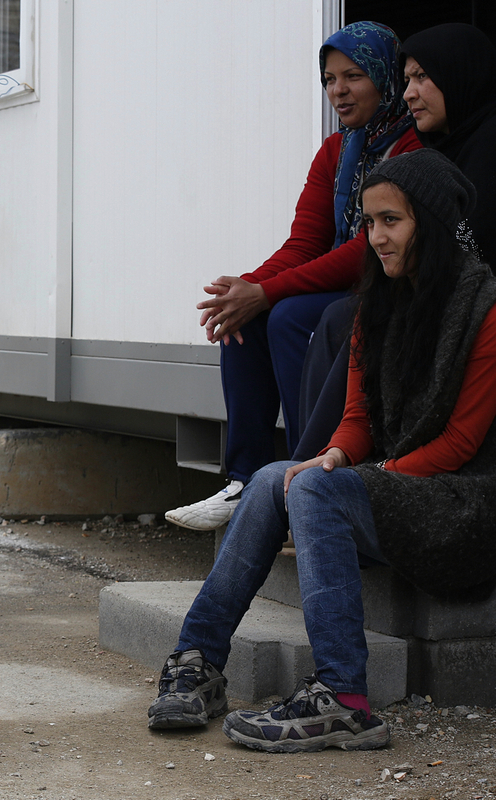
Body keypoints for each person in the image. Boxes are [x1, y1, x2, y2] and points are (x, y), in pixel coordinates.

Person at [147, 149, 496, 753]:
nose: (376, 237)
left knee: (312, 485)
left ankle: (345, 698)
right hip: (395, 490)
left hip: (461, 507)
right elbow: (358, 417)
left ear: (431, 225)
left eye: (392, 221)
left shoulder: (482, 309)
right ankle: (199, 660)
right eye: (369, 222)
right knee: (272, 477)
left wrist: (365, 478)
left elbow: (461, 443)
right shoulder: (379, 303)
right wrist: (335, 457)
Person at [166, 22, 420, 531]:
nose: (338, 91)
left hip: (395, 285)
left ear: (385, 78)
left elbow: (362, 252)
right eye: (329, 79)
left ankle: (312, 478)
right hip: (344, 283)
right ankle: (246, 481)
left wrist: (266, 293)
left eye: (353, 76)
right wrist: (241, 291)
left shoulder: (413, 149)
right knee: (247, 322)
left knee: (289, 316)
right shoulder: (336, 150)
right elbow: (304, 244)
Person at [292, 22, 496, 462]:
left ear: (460, 74)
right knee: (294, 318)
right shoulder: (438, 144)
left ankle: (308, 472)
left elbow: (465, 245)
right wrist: (256, 288)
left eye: (423, 76)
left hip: (469, 301)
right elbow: (306, 240)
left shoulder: (483, 148)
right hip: (423, 288)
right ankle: (300, 469)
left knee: (344, 320)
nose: (409, 93)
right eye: (407, 79)